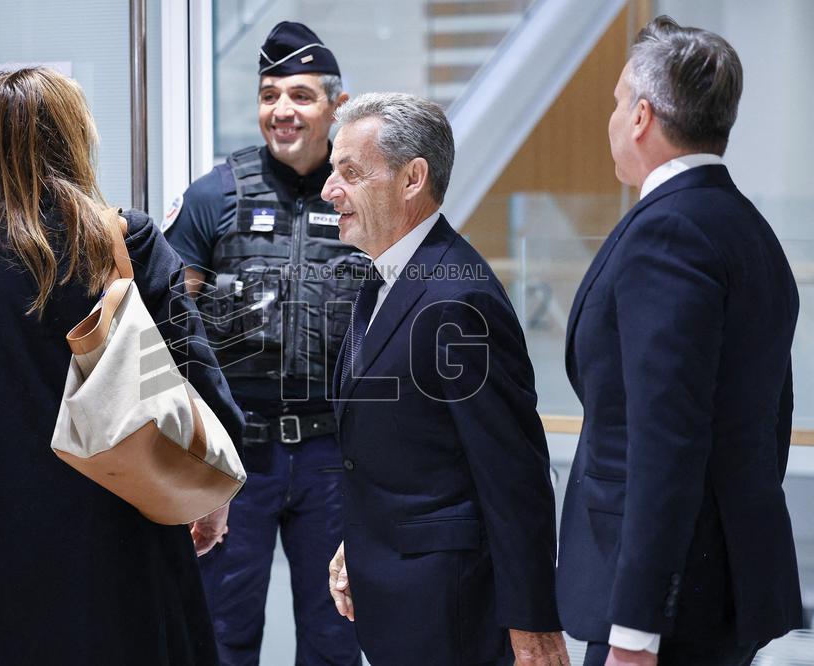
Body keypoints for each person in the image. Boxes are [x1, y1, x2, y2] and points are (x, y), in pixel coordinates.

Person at [0, 67, 243, 665]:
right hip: (131, 537)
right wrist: (211, 495)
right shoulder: (128, 241)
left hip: (3, 564)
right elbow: (199, 379)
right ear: (76, 137)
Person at [555, 16, 803, 666]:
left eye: (615, 103)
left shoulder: (668, 234)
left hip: (663, 604)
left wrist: (637, 631)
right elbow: (773, 415)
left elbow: (664, 440)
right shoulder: (747, 227)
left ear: (641, 117)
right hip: (720, 578)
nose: (610, 118)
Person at [322, 92, 568, 666]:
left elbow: (514, 473)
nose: (330, 191)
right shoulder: (387, 276)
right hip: (396, 594)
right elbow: (406, 447)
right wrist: (356, 543)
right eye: (333, 172)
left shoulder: (460, 298)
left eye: (350, 173)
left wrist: (532, 622)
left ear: (412, 179)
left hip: (449, 611)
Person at [163, 21, 363, 665]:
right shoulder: (213, 196)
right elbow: (171, 330)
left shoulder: (364, 193)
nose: (282, 110)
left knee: (338, 633)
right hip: (236, 457)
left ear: (337, 104)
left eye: (301, 95)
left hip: (333, 455)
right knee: (221, 631)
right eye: (269, 94)